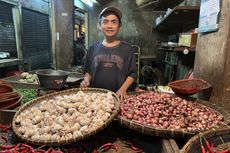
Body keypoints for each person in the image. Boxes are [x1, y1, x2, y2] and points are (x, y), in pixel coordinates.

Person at [80, 7, 137, 99]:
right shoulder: (93, 48)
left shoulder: (127, 49)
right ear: (99, 25)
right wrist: (86, 80)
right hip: (95, 97)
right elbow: (88, 71)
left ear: (119, 25)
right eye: (105, 22)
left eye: (114, 22)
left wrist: (123, 89)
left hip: (118, 96)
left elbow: (132, 74)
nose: (109, 26)